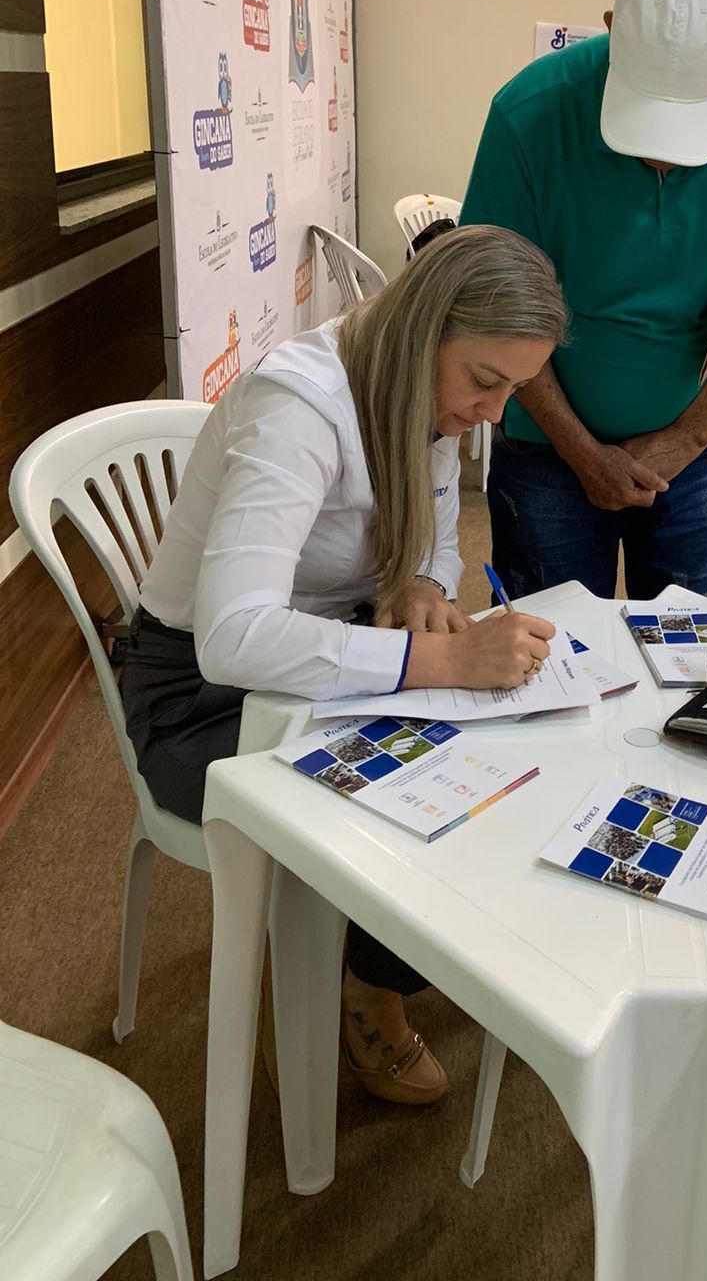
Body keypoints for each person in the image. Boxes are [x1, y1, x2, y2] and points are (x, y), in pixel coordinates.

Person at [120, 226, 566, 1103]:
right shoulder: (300, 405)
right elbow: (234, 638)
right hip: (200, 696)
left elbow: (435, 539)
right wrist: (431, 658)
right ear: (423, 330)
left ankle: (377, 962)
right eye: (485, 382)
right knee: (420, 799)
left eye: (515, 390)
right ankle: (367, 986)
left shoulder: (415, 391)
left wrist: (422, 587)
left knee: (494, 765)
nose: (494, 414)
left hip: (316, 642)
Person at [459, 0, 707, 600]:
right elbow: (497, 304)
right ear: (611, 30)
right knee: (550, 659)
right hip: (545, 444)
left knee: (683, 658)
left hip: (688, 445)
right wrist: (581, 451)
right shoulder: (531, 112)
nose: (663, 163)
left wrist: (689, 434)